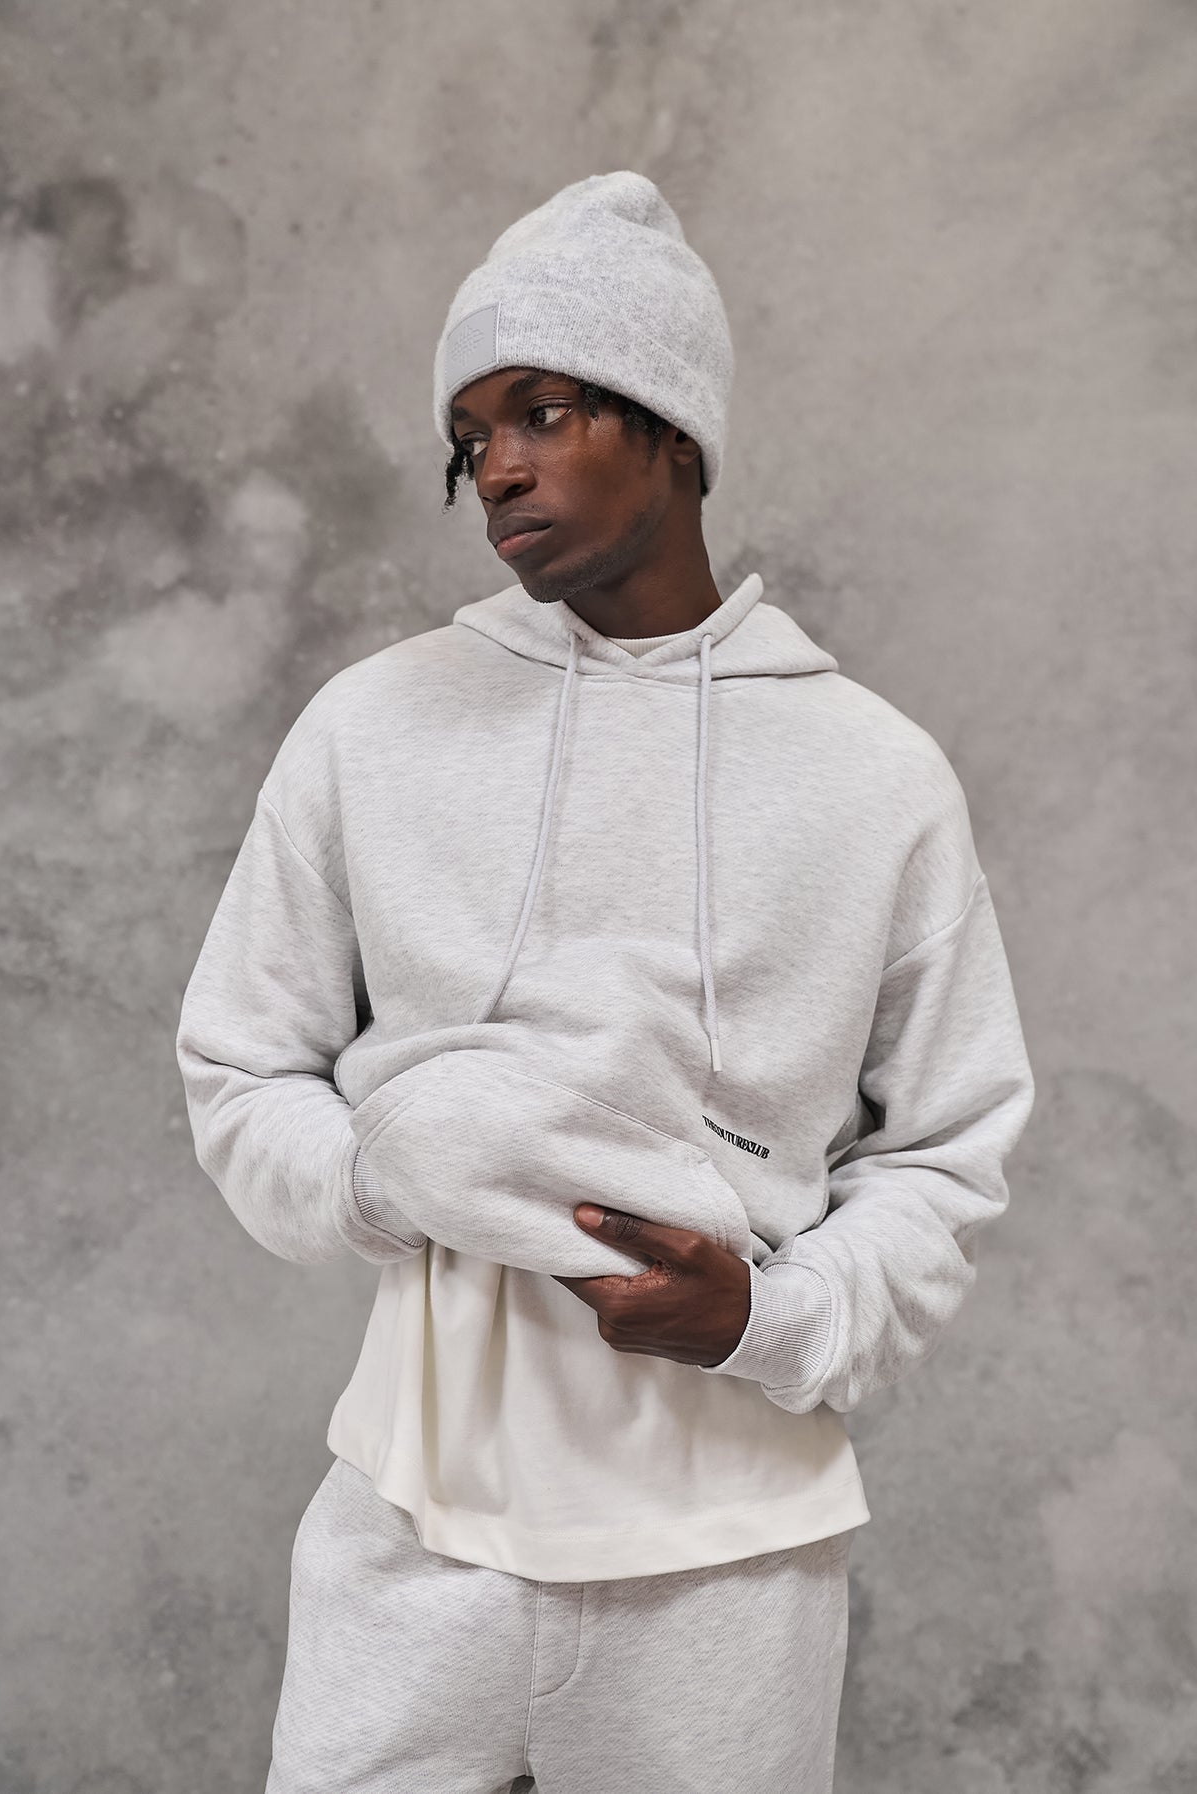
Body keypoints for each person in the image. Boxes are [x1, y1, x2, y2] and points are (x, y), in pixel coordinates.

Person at [175, 170, 1036, 1794]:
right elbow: (239, 1063)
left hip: (726, 1562)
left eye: (544, 411)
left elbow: (947, 1150)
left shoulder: (875, 777)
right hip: (412, 1520)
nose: (497, 466)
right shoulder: (374, 726)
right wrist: (377, 1176)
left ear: (674, 429)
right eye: (470, 437)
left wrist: (769, 1317)